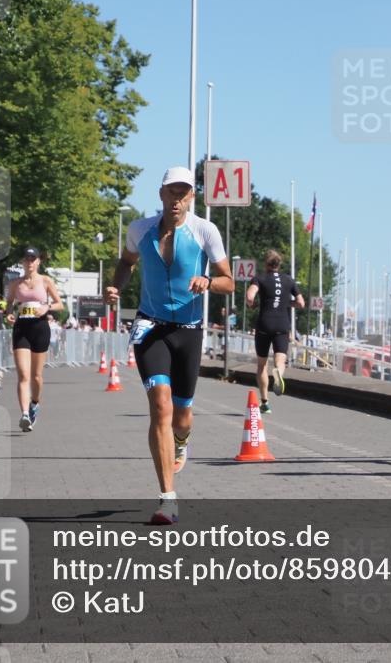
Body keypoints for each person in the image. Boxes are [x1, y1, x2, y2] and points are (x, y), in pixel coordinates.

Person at [104, 167, 233, 525]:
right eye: (171, 192)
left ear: (192, 197)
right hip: (149, 327)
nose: (177, 199)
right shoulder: (139, 229)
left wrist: (208, 281)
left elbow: (229, 281)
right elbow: (127, 263)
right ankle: (167, 497)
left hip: (188, 330)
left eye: (184, 193)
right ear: (160, 194)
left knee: (182, 415)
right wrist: (117, 286)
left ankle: (181, 440)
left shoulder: (204, 230)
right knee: (159, 405)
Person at [3, 247, 65, 433]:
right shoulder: (15, 283)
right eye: (27, 259)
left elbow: (60, 304)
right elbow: (9, 304)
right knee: (23, 374)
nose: (30, 262)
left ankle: (35, 403)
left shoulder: (46, 281)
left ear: (38, 262)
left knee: (36, 376)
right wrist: (8, 314)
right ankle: (24, 414)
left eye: (33, 259)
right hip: (22, 328)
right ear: (23, 262)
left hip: (40, 328)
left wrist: (47, 307)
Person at [246, 250, 304, 413]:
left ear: (266, 264)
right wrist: (286, 303)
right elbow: (301, 303)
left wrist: (252, 304)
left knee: (262, 364)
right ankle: (278, 372)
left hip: (264, 324)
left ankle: (265, 402)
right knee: (280, 359)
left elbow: (250, 296)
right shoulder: (289, 280)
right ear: (279, 264)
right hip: (282, 325)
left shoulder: (260, 278)